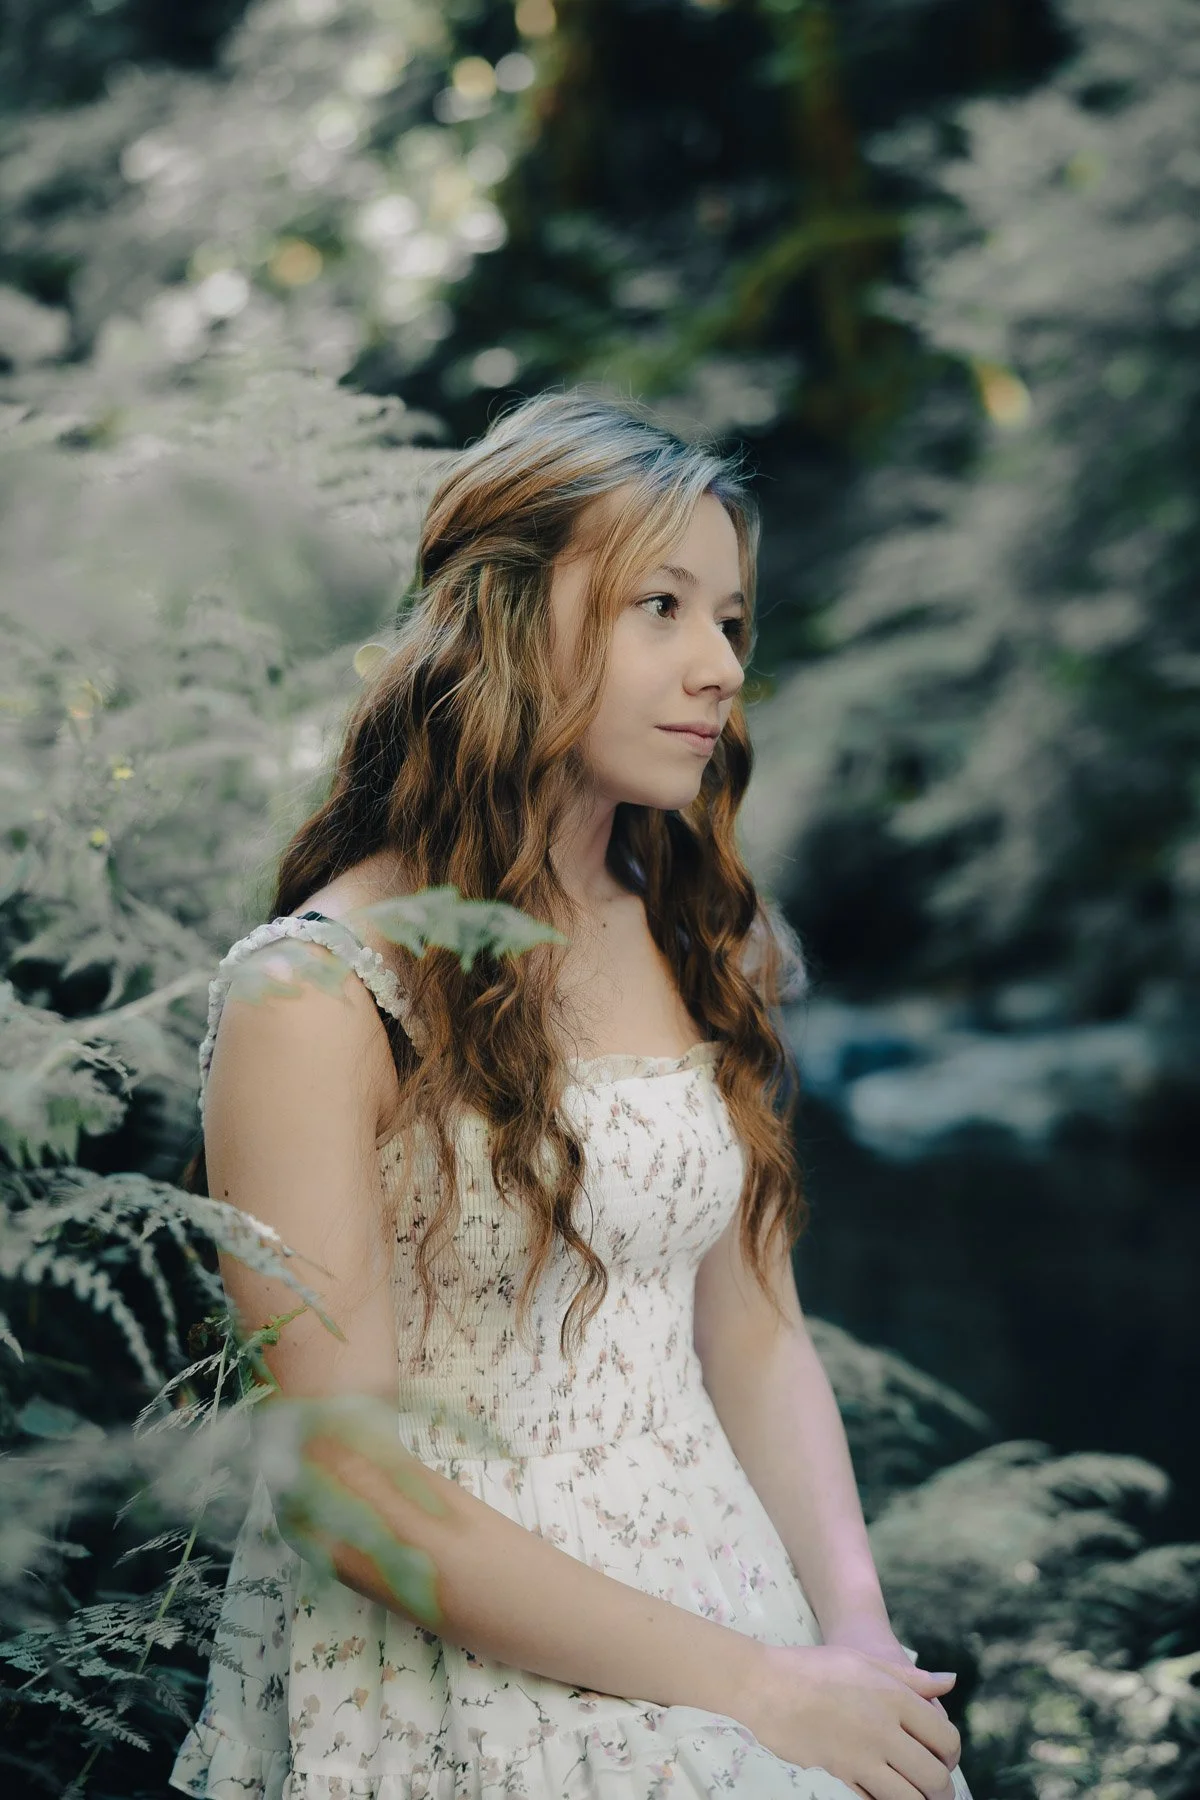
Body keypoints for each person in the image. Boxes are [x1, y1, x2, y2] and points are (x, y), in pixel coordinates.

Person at [170, 389, 972, 1800]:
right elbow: (345, 1487)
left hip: (731, 1592)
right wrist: (758, 1688)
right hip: (452, 1646)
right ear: (506, 619)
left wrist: (852, 1635)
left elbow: (759, 1334)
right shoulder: (319, 992)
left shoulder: (705, 935)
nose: (718, 664)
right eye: (659, 607)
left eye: (731, 619)